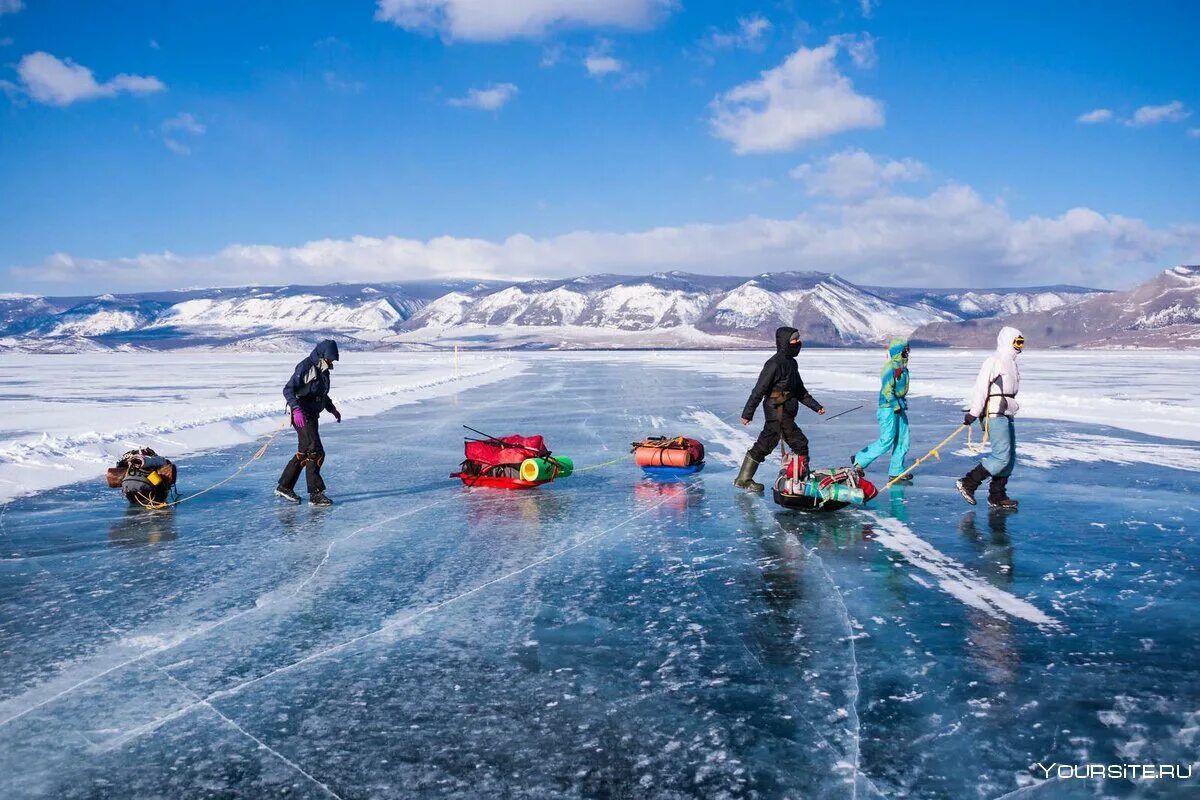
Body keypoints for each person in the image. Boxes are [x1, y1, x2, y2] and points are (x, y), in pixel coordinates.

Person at [734, 326, 826, 492]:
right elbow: (759, 389)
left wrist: (816, 406)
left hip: (786, 411)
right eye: (794, 340)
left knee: (766, 442)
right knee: (799, 443)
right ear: (785, 342)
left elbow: (799, 391)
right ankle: (799, 480)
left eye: (798, 339)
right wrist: (748, 413)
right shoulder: (774, 363)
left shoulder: (792, 363)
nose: (798, 342)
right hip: (777, 410)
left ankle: (744, 478)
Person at [956, 326, 1024, 510]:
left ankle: (997, 495)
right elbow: (981, 388)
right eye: (1017, 342)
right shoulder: (994, 361)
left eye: (1022, 342)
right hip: (993, 413)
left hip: (1007, 412)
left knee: (1009, 457)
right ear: (1008, 341)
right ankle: (968, 482)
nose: (1020, 346)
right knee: (1001, 456)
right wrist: (974, 412)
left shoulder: (1011, 363)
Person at [276, 339, 342, 506]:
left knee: (305, 452)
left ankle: (284, 486)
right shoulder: (306, 366)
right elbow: (288, 389)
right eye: (330, 358)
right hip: (302, 414)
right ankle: (316, 494)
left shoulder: (323, 369)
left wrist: (331, 408)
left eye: (333, 359)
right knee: (316, 451)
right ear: (321, 354)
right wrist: (296, 409)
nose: (331, 361)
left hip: (312, 414)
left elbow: (320, 393)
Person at [852, 337, 911, 483]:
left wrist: (899, 405)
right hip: (888, 408)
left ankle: (896, 471)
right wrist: (895, 405)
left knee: (903, 440)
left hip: (899, 407)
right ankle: (859, 459)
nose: (907, 353)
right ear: (898, 352)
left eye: (908, 350)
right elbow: (886, 390)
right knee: (887, 440)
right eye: (905, 351)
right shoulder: (890, 368)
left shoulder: (903, 369)